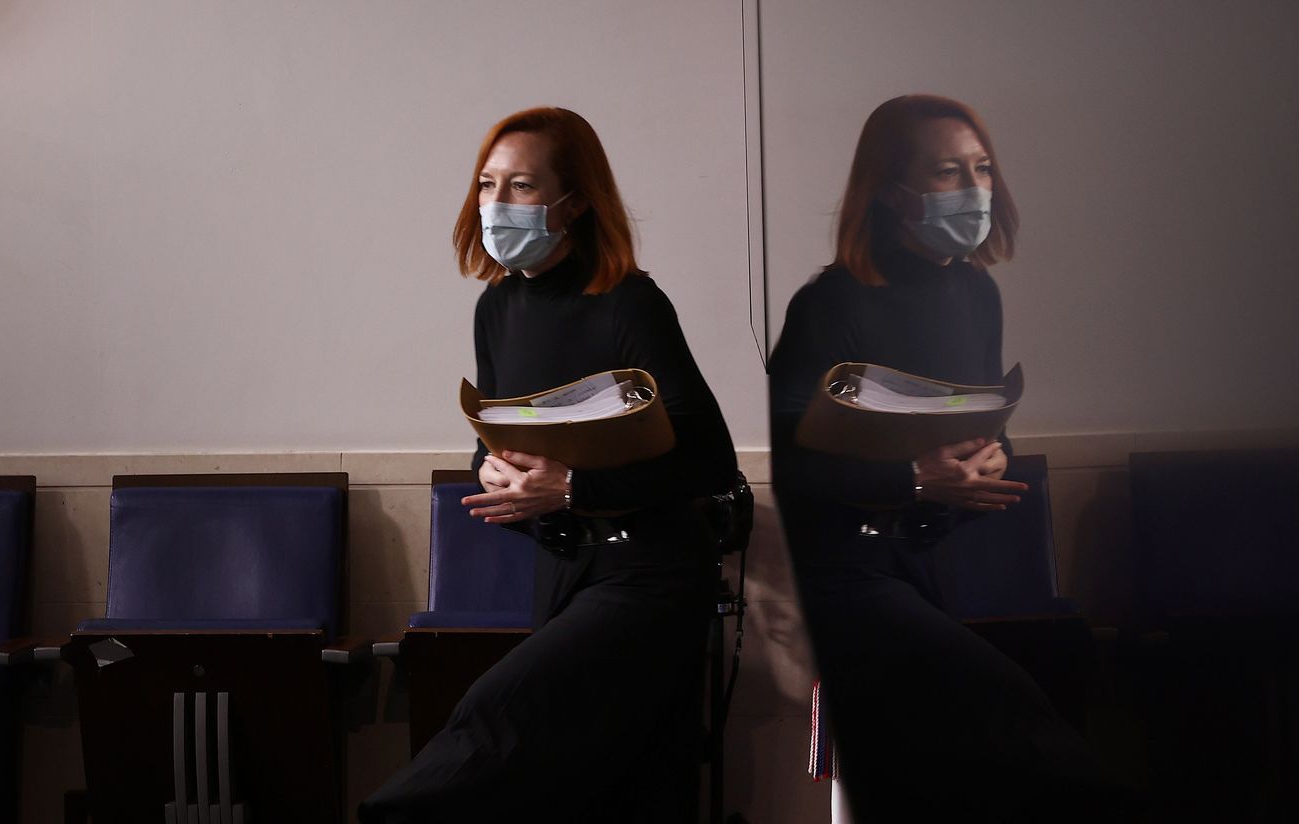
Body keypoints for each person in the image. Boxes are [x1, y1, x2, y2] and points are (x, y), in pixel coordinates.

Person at [359, 107, 736, 823]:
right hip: (563, 569)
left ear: (575, 201)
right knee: (612, 785)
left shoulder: (631, 302)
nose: (497, 204)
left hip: (652, 574)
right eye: (488, 184)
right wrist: (488, 471)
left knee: (493, 724)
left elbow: (711, 459)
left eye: (522, 186)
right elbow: (498, 434)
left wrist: (574, 485)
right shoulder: (496, 307)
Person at [769, 94, 1130, 822]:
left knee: (950, 766)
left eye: (982, 168)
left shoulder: (975, 291)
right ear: (893, 192)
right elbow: (793, 470)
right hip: (841, 576)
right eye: (946, 172)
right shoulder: (828, 303)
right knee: (1027, 734)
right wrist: (912, 477)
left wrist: (992, 459)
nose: (973, 189)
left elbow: (979, 422)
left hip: (926, 561)